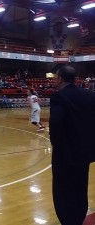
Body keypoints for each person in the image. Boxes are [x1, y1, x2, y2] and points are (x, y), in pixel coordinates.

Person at [49, 65, 95, 225]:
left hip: (65, 155)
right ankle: (79, 217)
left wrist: (57, 147)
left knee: (62, 190)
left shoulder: (59, 97)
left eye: (55, 77)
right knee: (80, 187)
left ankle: (68, 220)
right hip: (84, 153)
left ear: (60, 79)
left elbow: (56, 124)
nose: (54, 80)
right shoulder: (89, 95)